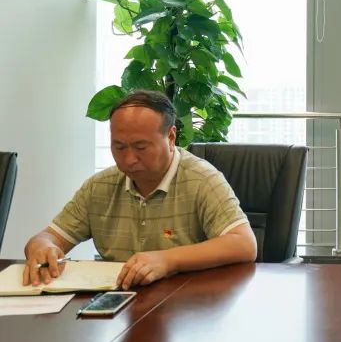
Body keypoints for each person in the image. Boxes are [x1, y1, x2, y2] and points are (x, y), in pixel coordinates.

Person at [23, 90, 257, 289]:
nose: (129, 159)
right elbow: (48, 237)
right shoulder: (99, 186)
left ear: (171, 137)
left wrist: (168, 261)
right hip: (116, 304)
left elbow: (244, 244)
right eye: (119, 147)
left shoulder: (202, 179)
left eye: (141, 147)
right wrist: (43, 247)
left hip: (187, 306)